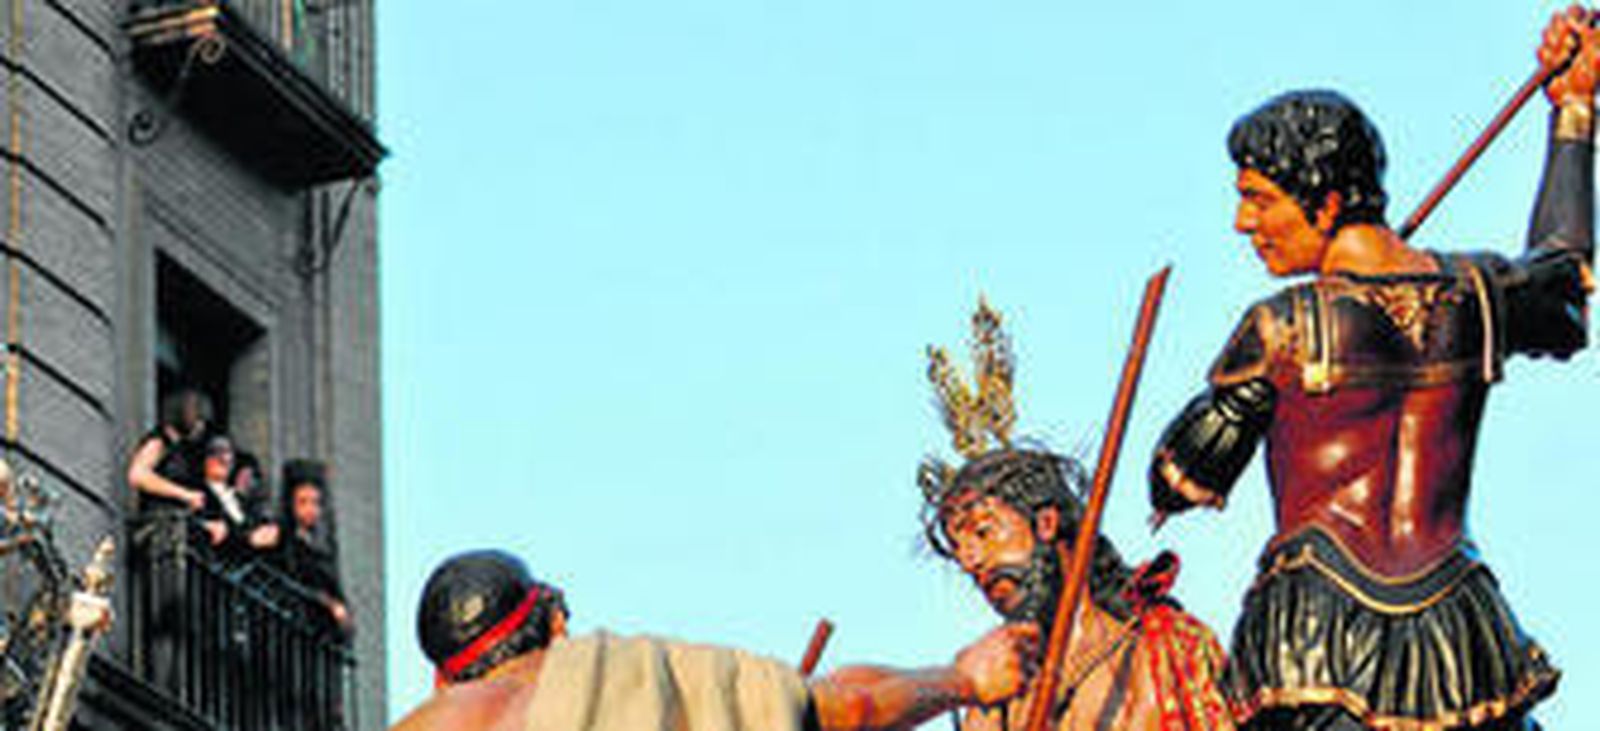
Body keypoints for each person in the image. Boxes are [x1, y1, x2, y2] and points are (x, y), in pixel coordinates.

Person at [1146, 10, 1598, 730]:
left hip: (1318, 642)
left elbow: (1183, 480)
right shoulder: (1476, 295)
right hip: (1460, 637)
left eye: (1260, 199)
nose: (1244, 223)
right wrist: (1575, 111)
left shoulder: (1282, 327)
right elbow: (1567, 279)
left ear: (1325, 203)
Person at [920, 300, 1233, 730]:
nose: (973, 561)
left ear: (1046, 523)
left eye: (984, 532)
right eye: (961, 550)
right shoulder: (995, 701)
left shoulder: (1165, 649)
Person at [393, 549, 1040, 731]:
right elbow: (851, 707)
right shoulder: (646, 677)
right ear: (556, 620)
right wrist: (962, 679)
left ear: (442, 676)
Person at [125, 387, 213, 695]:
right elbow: (137, 475)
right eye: (198, 417)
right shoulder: (159, 440)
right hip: (159, 533)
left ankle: (176, 682)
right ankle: (160, 680)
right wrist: (184, 494)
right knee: (164, 608)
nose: (201, 426)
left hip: (174, 534)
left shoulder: (182, 452)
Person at [281, 459, 352, 639]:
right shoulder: (285, 542)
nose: (310, 509)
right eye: (303, 502)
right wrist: (329, 605)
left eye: (315, 503)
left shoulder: (322, 550)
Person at [196, 440, 280, 562]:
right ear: (205, 461)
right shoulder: (198, 493)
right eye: (216, 456)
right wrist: (249, 539)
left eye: (228, 458)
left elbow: (252, 519)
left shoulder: (238, 497)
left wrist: (267, 528)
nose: (224, 460)